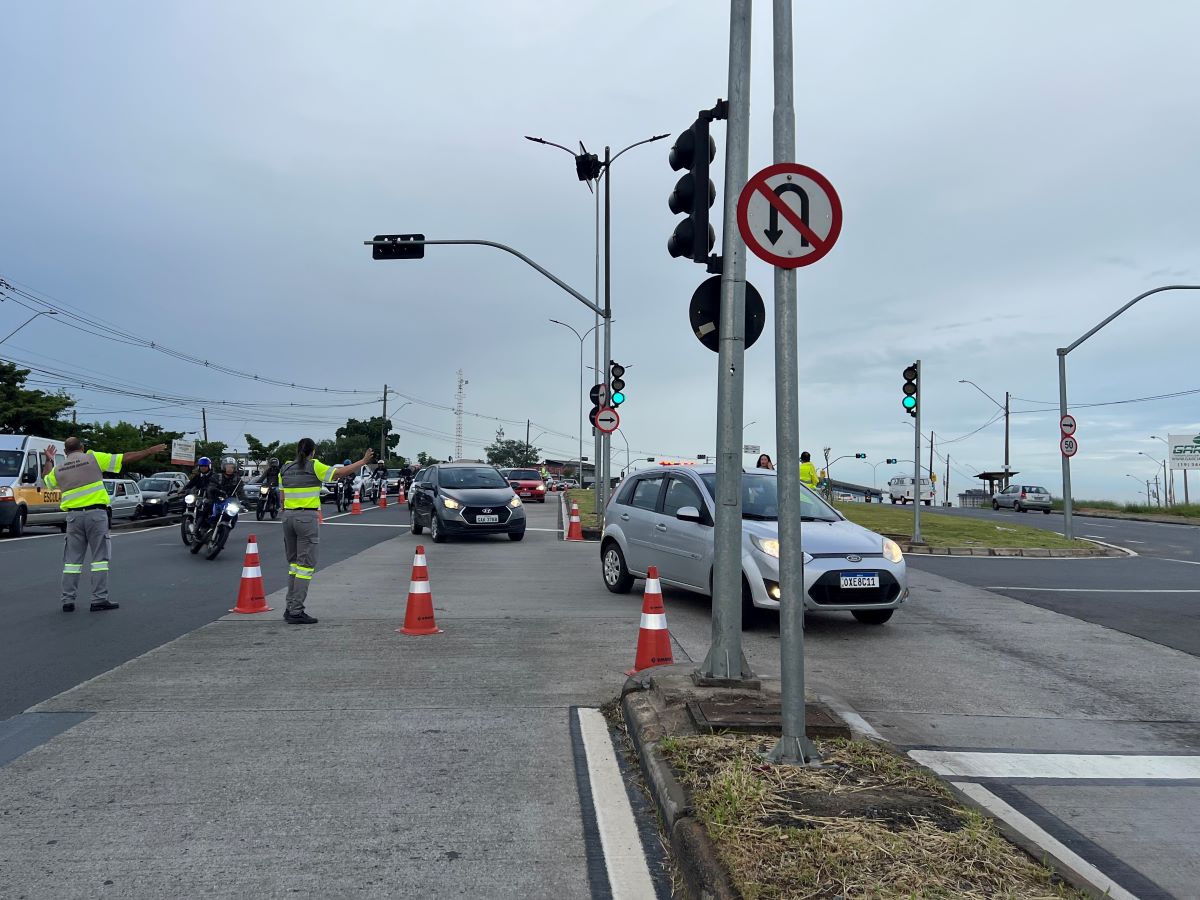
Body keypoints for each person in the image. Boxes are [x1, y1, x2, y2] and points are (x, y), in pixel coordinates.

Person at [41, 437, 168, 613]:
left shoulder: (59, 468)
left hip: (72, 518)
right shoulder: (93, 458)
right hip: (96, 515)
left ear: (65, 452)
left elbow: (46, 479)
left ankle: (68, 601)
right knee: (99, 560)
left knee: (72, 562)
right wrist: (148, 451)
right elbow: (125, 458)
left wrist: (48, 459)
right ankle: (98, 599)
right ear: (83, 448)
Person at [277, 439, 374, 625]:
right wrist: (362, 461)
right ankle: (296, 611)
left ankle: (290, 608)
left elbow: (282, 497)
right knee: (305, 567)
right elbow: (339, 473)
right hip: (306, 518)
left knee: (294, 565)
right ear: (312, 452)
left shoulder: (286, 468)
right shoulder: (314, 465)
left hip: (287, 518)